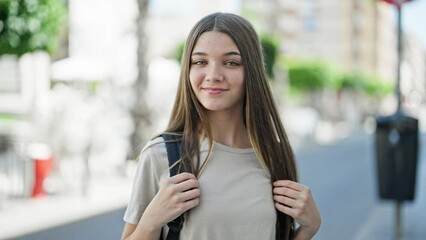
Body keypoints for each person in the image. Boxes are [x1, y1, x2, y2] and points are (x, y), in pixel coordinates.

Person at [121, 12, 321, 240]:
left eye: (231, 63)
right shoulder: (161, 155)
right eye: (200, 62)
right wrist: (151, 221)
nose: (213, 75)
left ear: (252, 72)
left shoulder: (275, 155)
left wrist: (308, 229)